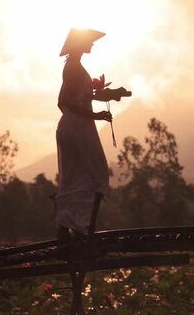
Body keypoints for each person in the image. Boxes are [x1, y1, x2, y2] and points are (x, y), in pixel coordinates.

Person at [55, 28, 130, 241]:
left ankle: (71, 225)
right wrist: (94, 115)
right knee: (96, 176)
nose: (93, 45)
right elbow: (67, 101)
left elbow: (76, 97)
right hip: (78, 127)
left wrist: (109, 95)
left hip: (72, 126)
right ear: (80, 43)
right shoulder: (74, 69)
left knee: (75, 176)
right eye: (90, 41)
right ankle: (75, 224)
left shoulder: (74, 68)